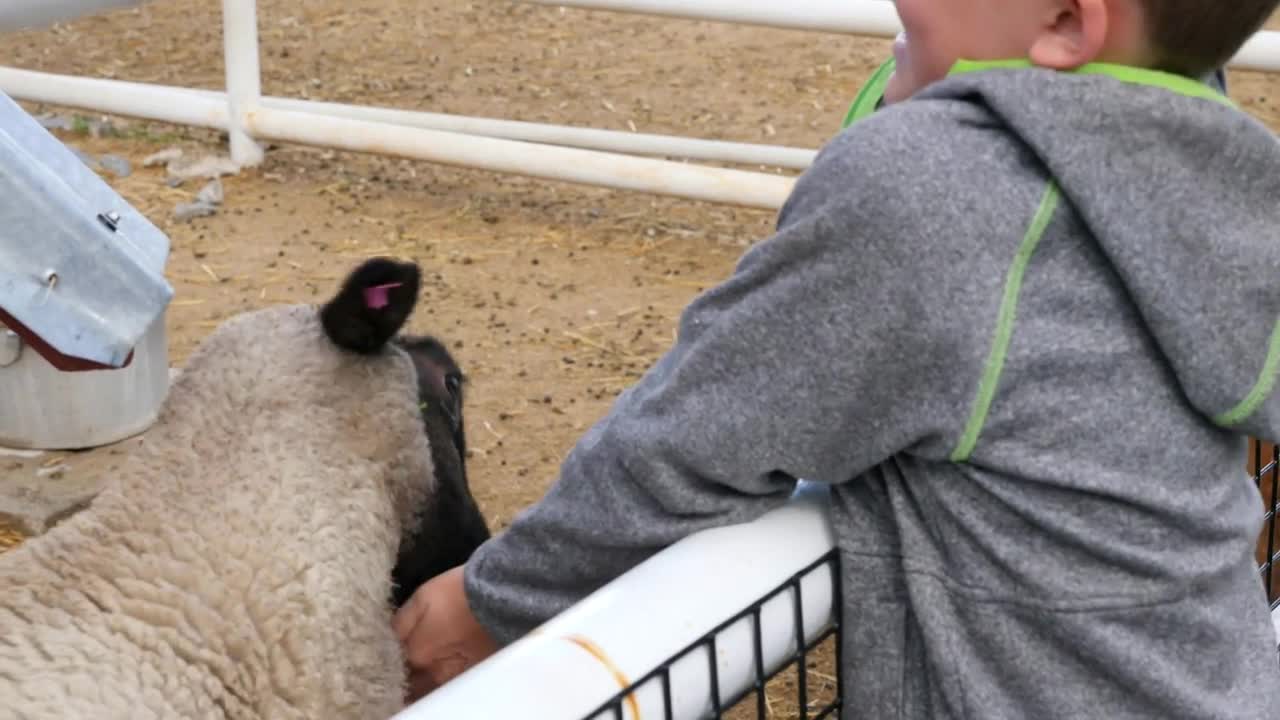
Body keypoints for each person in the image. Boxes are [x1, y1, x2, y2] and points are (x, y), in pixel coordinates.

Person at [394, 0, 1280, 716]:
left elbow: (689, 442)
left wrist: (493, 601)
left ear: (1064, 23)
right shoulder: (1190, 165)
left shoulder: (939, 190)